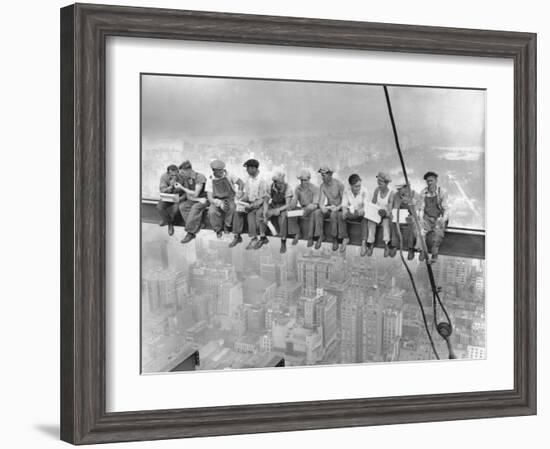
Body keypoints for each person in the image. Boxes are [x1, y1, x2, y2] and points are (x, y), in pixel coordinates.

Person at [229, 159, 270, 250]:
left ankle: (254, 238)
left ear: (254, 168)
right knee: (237, 211)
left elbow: (264, 198)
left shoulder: (262, 180)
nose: (247, 170)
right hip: (250, 203)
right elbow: (247, 194)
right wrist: (240, 200)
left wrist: (252, 206)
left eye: (248, 168)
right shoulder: (248, 179)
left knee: (250, 215)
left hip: (261, 205)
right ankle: (237, 236)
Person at [205, 159, 244, 238]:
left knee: (232, 208)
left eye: (222, 170)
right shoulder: (210, 179)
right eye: (219, 171)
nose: (222, 172)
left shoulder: (229, 175)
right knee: (212, 212)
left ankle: (227, 225)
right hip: (217, 199)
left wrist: (239, 192)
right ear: (214, 171)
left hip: (230, 198)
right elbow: (209, 197)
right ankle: (217, 229)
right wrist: (219, 203)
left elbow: (241, 183)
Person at [418, 171, 450, 263]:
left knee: (437, 235)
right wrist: (421, 219)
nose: (429, 183)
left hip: (439, 218)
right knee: (421, 233)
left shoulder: (442, 192)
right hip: (427, 217)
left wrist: (443, 219)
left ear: (436, 180)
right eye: (428, 181)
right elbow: (422, 208)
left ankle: (434, 255)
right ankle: (423, 251)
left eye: (431, 181)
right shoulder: (423, 192)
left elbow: (446, 208)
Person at [312, 166, 346, 251]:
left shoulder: (339, 184)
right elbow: (321, 201)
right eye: (321, 175)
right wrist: (323, 207)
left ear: (330, 175)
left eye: (324, 175)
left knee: (333, 215)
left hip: (339, 208)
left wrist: (337, 208)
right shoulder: (322, 186)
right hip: (330, 207)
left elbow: (345, 202)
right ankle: (320, 236)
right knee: (317, 212)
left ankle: (334, 238)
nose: (322, 177)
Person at [177, 160, 208, 244]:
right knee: (182, 206)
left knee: (195, 208)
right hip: (197, 199)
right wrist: (197, 200)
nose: (181, 175)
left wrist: (182, 188)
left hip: (205, 199)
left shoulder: (200, 177)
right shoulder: (187, 179)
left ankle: (190, 233)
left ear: (189, 170)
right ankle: (198, 225)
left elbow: (195, 193)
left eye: (183, 172)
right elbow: (188, 195)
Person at [390, 183, 423, 260]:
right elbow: (394, 208)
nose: (399, 191)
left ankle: (410, 248)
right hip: (400, 216)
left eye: (400, 188)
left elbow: (418, 210)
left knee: (413, 225)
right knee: (393, 223)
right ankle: (394, 245)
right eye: (398, 189)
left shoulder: (415, 195)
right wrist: (394, 212)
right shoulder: (396, 195)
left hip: (412, 217)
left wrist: (410, 203)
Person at [288, 169, 320, 247]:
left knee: (312, 213)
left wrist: (308, 209)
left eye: (305, 180)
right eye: (301, 180)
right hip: (303, 208)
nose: (303, 182)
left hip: (313, 208)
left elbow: (315, 203)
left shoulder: (315, 188)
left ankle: (310, 237)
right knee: (290, 212)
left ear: (309, 179)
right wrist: (292, 203)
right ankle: (297, 233)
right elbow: (294, 200)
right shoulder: (297, 188)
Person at [367, 172, 395, 257]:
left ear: (386, 183)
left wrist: (385, 213)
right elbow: (373, 202)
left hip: (386, 215)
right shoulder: (377, 190)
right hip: (377, 214)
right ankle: (370, 243)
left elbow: (390, 209)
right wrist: (372, 210)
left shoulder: (391, 193)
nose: (379, 185)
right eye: (378, 182)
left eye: (381, 183)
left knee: (386, 224)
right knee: (371, 222)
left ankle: (386, 244)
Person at [340, 173, 370, 255]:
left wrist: (362, 209)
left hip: (361, 213)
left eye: (359, 186)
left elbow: (366, 205)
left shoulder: (364, 191)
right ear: (351, 186)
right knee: (341, 216)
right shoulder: (347, 191)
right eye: (356, 186)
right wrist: (344, 212)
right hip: (352, 212)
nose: (358, 188)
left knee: (365, 217)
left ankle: (364, 242)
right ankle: (345, 238)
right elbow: (344, 204)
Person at [265, 172, 293, 254]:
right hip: (274, 204)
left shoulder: (288, 188)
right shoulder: (271, 187)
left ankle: (283, 240)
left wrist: (278, 210)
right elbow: (266, 200)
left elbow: (288, 204)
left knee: (283, 217)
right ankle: (272, 232)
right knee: (265, 215)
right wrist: (266, 210)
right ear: (275, 182)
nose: (281, 184)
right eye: (279, 183)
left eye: (282, 182)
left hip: (283, 206)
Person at [156, 164, 184, 236]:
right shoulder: (164, 177)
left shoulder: (182, 177)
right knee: (159, 207)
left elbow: (186, 191)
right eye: (172, 175)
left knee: (175, 210)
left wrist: (180, 199)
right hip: (168, 196)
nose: (174, 177)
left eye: (176, 174)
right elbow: (162, 190)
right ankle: (169, 223)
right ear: (168, 173)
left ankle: (167, 222)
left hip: (178, 197)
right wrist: (171, 186)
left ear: (178, 172)